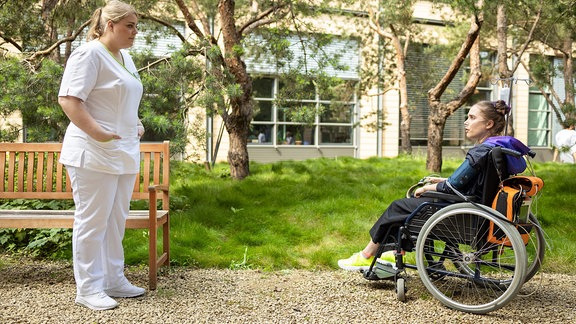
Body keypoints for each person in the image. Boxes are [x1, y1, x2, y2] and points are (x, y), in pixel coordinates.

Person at [338, 100, 517, 272]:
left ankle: (367, 254)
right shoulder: (495, 148)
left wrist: (425, 188)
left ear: (488, 124)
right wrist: (441, 181)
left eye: (471, 118)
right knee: (409, 207)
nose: (465, 122)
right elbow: (469, 181)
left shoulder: (480, 151)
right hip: (478, 209)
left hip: (464, 214)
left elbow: (453, 186)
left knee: (398, 207)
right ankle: (393, 253)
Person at [58, 0, 145, 311]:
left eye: (136, 25)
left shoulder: (124, 57)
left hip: (123, 152)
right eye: (129, 26)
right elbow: (69, 100)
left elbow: (123, 98)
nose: (136, 31)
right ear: (110, 26)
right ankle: (89, 287)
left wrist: (135, 122)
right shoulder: (88, 54)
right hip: (92, 152)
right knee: (93, 221)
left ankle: (113, 279)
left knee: (115, 220)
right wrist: (98, 133)